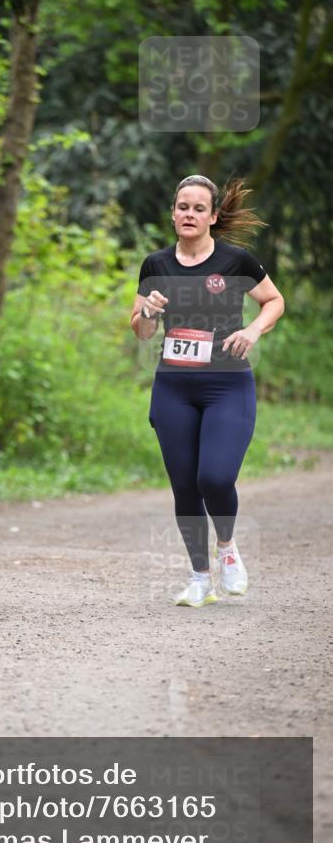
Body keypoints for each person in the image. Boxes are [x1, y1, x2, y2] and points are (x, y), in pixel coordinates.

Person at [131, 175, 284, 607]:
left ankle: (228, 549)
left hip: (227, 385)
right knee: (184, 486)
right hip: (174, 386)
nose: (189, 215)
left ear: (214, 216)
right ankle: (199, 577)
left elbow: (274, 301)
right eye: (183, 207)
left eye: (199, 208)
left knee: (214, 477)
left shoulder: (237, 261)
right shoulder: (155, 265)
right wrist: (146, 310)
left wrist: (253, 330)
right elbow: (142, 332)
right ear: (173, 212)